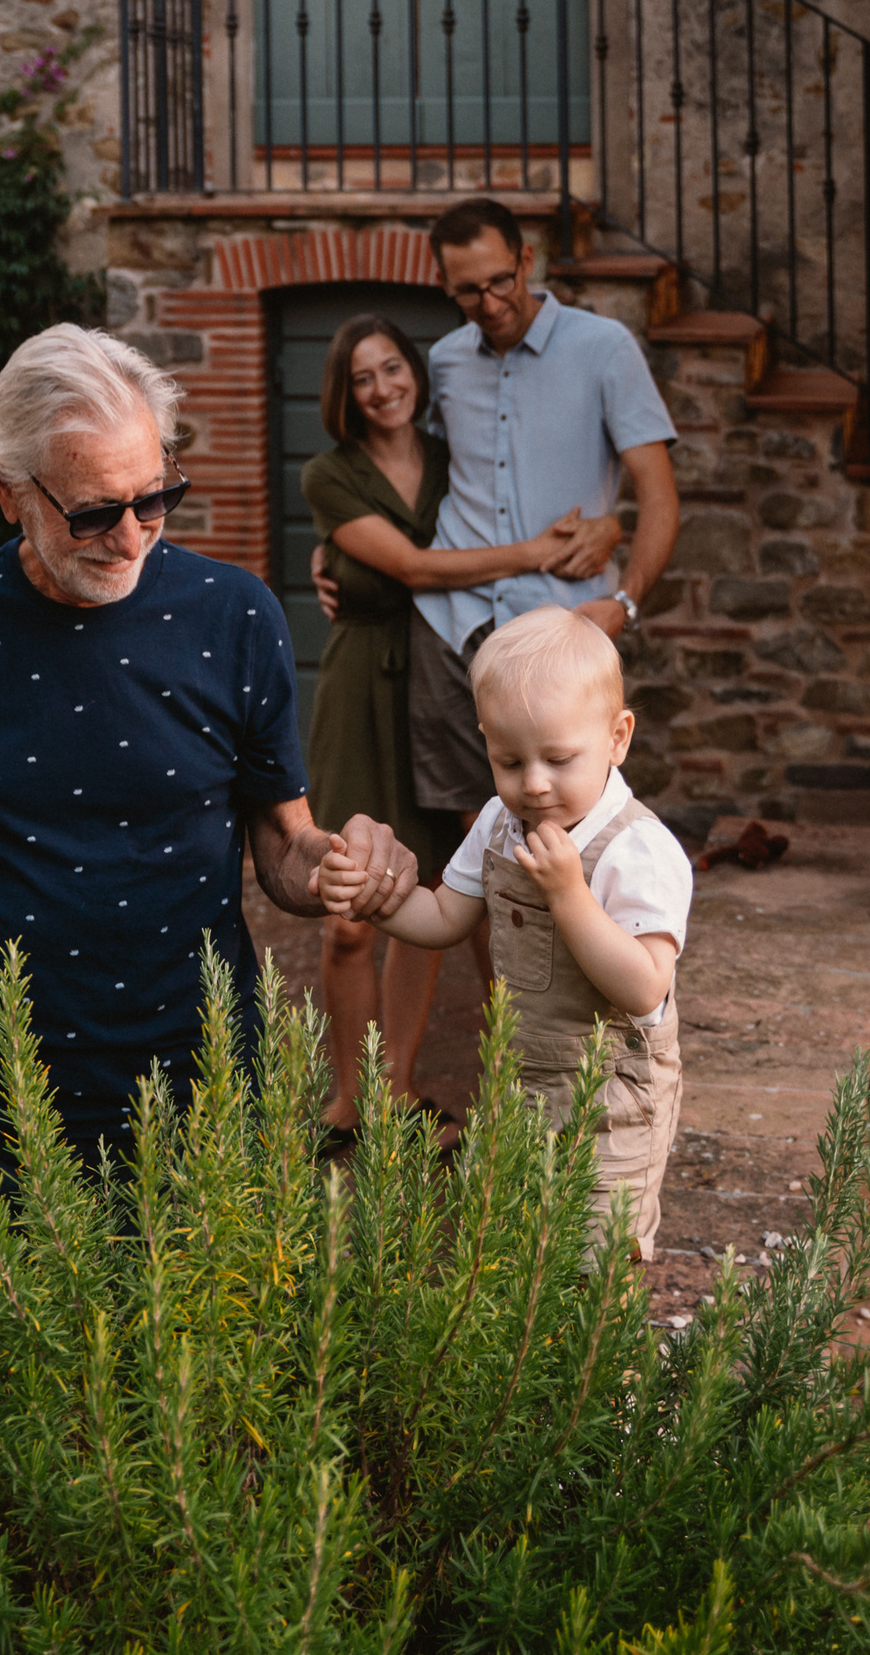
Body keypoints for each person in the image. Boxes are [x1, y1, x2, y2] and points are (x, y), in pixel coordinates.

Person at [0, 324, 421, 1232]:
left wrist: (344, 861)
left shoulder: (236, 616)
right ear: (8, 490)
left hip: (198, 1093)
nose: (132, 537)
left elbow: (283, 846)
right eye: (95, 511)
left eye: (155, 500)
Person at [300, 314, 614, 1132]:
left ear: (415, 374)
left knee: (428, 892)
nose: (383, 387)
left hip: (438, 691)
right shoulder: (328, 475)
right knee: (348, 912)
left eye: (393, 367)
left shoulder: (449, 460)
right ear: (346, 392)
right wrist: (532, 553)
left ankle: (395, 1086)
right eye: (363, 376)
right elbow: (408, 566)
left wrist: (609, 525)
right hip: (361, 695)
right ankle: (347, 1100)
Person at [317, 606, 693, 1260]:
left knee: (598, 1259)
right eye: (510, 760)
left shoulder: (639, 850)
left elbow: (643, 985)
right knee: (515, 1247)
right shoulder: (497, 822)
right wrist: (373, 900)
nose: (535, 784)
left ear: (618, 736)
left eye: (559, 758)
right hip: (517, 1086)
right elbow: (441, 918)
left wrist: (569, 892)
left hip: (610, 1098)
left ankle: (605, 1360)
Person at [400, 196, 681, 822]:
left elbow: (659, 495)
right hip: (450, 623)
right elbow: (410, 476)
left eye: (503, 280)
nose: (492, 303)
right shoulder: (444, 361)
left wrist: (625, 601)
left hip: (559, 627)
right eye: (469, 291)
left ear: (527, 260)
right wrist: (335, 551)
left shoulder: (606, 348)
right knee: (464, 832)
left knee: (565, 822)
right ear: (443, 283)